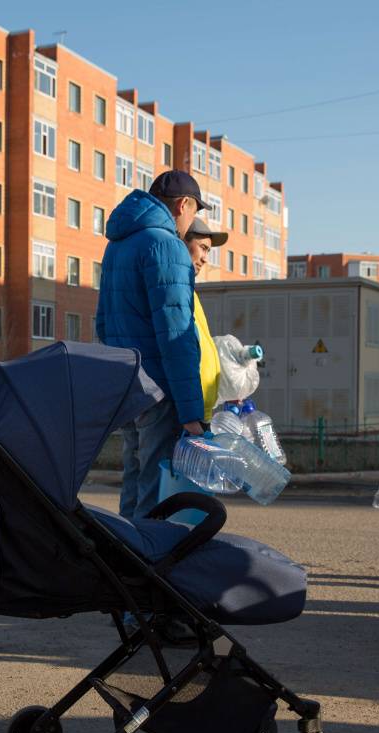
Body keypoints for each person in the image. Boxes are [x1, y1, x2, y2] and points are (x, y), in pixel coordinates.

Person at [96, 170, 210, 519]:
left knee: (133, 476)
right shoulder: (166, 246)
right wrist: (192, 414)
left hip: (126, 385)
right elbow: (177, 336)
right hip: (158, 388)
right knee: (155, 486)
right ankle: (147, 562)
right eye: (194, 212)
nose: (192, 222)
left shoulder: (118, 244)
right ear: (183, 204)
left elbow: (102, 322)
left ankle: (125, 556)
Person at [184, 217, 225, 417]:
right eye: (202, 247)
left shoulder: (190, 291)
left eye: (208, 251)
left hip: (199, 407)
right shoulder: (177, 289)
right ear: (182, 241)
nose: (205, 258)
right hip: (186, 409)